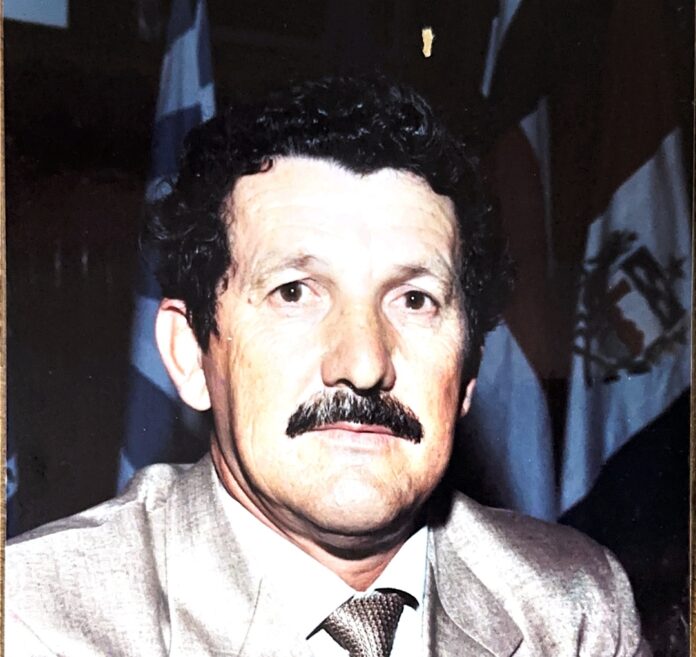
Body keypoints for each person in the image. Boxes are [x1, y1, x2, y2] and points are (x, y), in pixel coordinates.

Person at [6, 75, 650, 657]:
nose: (364, 364)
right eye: (294, 292)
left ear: (467, 373)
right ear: (190, 354)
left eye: (415, 300)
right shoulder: (35, 620)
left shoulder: (574, 609)